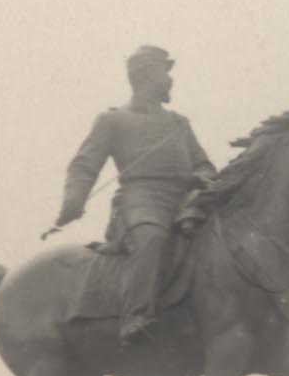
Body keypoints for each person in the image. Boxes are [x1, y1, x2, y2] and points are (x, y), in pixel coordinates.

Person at [45, 45, 216, 343]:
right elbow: (84, 164)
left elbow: (203, 162)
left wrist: (204, 175)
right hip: (142, 201)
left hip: (187, 202)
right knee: (151, 239)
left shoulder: (179, 123)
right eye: (165, 72)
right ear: (147, 74)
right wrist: (73, 201)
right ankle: (135, 316)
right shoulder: (112, 120)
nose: (170, 80)